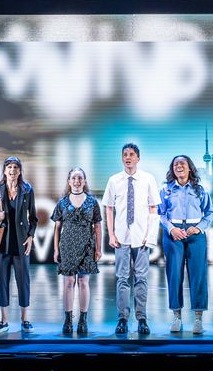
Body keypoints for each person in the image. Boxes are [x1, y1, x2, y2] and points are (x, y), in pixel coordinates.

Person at [103, 142, 161, 335]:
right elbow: (109, 208)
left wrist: (150, 235)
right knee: (122, 279)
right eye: (125, 154)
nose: (128, 157)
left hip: (142, 237)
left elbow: (154, 208)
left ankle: (142, 318)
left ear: (138, 158)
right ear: (122, 158)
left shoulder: (147, 179)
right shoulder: (114, 180)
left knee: (141, 279)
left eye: (132, 154)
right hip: (121, 237)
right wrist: (111, 234)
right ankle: (122, 319)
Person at [159, 155, 213, 334]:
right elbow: (160, 214)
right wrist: (171, 229)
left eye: (182, 163)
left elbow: (209, 212)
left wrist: (199, 228)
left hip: (195, 234)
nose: (179, 166)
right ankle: (177, 317)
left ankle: (198, 319)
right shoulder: (166, 190)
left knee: (198, 276)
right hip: (173, 234)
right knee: (174, 274)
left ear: (190, 168)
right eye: (175, 164)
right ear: (172, 169)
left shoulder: (200, 189)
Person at [0, 156, 38, 333]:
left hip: (21, 242)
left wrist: (30, 236)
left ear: (20, 171)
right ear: (4, 170)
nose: (12, 170)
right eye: (9, 167)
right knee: (2, 281)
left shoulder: (27, 190)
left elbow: (34, 218)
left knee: (24, 281)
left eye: (15, 167)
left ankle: (25, 319)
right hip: (1, 242)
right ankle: (4, 320)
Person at [51, 167, 102, 334]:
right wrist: (55, 250)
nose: (77, 181)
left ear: (84, 181)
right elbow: (57, 227)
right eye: (73, 178)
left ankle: (83, 319)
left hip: (87, 245)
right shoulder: (62, 202)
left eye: (80, 178)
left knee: (83, 282)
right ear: (69, 181)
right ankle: (67, 319)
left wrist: (98, 249)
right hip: (67, 246)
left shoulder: (92, 202)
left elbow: (98, 226)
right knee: (68, 282)